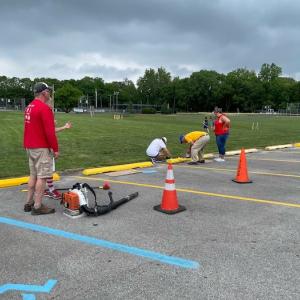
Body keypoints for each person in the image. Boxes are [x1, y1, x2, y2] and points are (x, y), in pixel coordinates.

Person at [23, 82, 58, 215]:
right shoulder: (44, 108)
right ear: (44, 93)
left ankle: (29, 202)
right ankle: (37, 206)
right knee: (42, 177)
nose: (50, 93)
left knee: (33, 175)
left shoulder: (29, 106)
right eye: (48, 91)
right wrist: (55, 149)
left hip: (30, 146)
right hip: (41, 147)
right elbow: (50, 132)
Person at [44, 121, 72, 200]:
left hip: (37, 147)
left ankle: (43, 189)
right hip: (45, 148)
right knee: (48, 170)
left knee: (42, 170)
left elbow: (52, 129)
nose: (55, 121)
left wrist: (64, 127)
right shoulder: (45, 113)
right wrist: (55, 149)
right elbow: (51, 131)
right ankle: (51, 190)